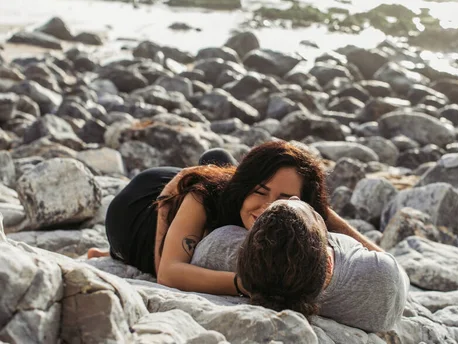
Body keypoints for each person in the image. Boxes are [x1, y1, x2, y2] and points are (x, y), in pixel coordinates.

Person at [91, 140, 382, 296]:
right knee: (207, 180)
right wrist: (247, 284)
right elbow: (169, 273)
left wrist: (321, 213)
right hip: (134, 212)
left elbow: (378, 258)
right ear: (245, 188)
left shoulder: (303, 211)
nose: (269, 207)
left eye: (285, 199)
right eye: (260, 191)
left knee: (218, 157)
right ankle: (113, 252)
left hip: (216, 183)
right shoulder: (203, 196)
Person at [193, 198, 409, 331]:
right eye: (312, 214)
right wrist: (330, 217)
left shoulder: (220, 247)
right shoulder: (380, 278)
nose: (296, 197)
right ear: (328, 264)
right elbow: (401, 274)